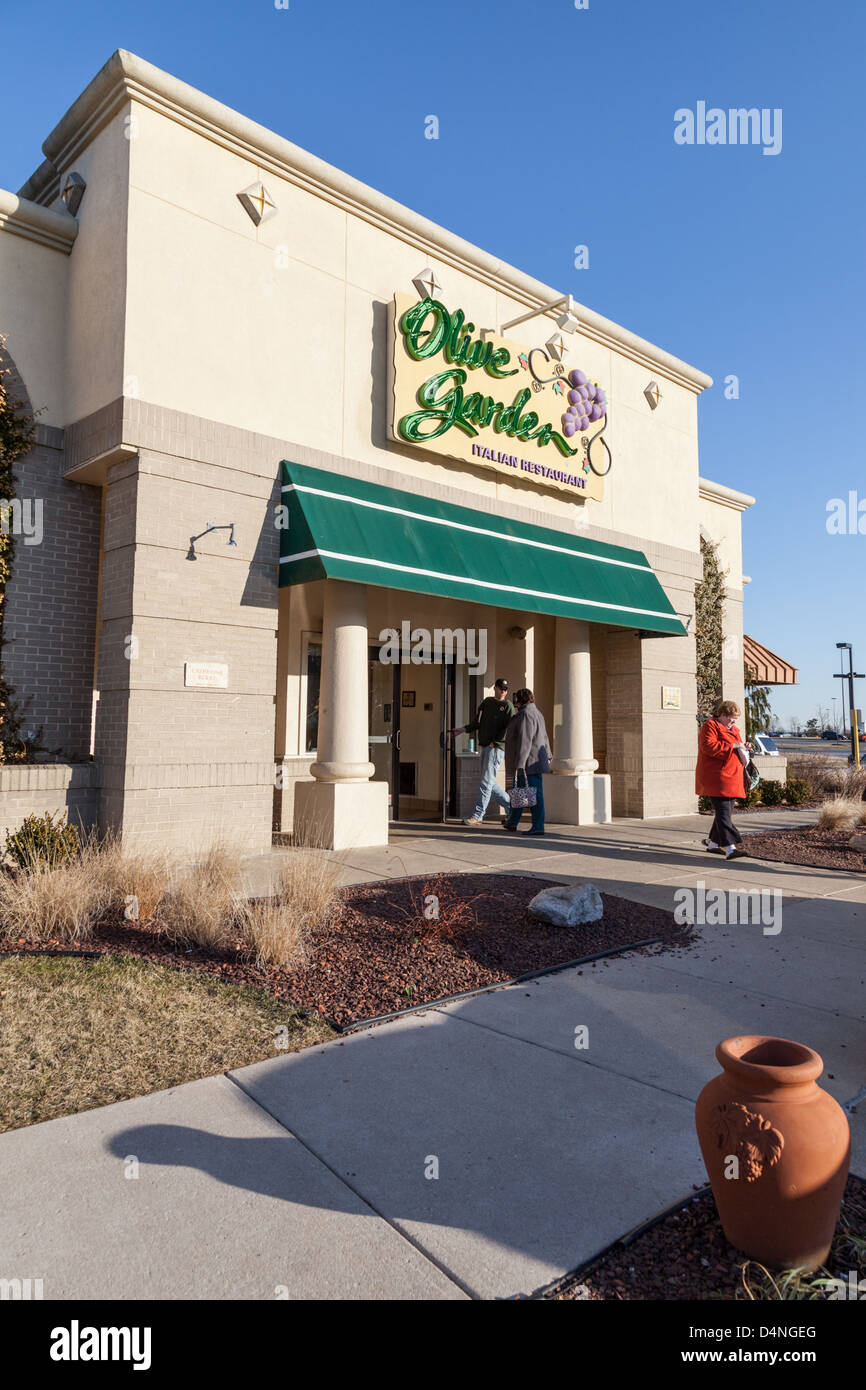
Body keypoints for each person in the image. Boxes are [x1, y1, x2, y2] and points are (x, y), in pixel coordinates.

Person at [449, 678, 515, 827]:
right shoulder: (487, 703)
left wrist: (496, 742)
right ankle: (512, 808)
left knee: (486, 782)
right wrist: (463, 730)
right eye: (501, 688)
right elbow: (477, 722)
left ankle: (478, 816)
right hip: (485, 746)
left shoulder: (508, 706)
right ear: (495, 688)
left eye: (506, 689)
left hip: (496, 748)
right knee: (489, 783)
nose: (504, 691)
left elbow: (510, 728)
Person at [695, 700, 752, 859]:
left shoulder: (734, 729)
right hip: (717, 777)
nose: (733, 721)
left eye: (735, 718)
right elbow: (708, 747)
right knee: (723, 813)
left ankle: (713, 844)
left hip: (732, 776)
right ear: (722, 715)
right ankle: (730, 848)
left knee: (725, 812)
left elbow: (737, 746)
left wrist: (744, 746)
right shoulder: (710, 726)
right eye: (731, 718)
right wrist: (734, 746)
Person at [503, 688, 551, 836]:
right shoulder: (536, 713)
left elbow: (526, 740)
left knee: (533, 795)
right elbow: (544, 736)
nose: (515, 701)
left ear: (521, 700)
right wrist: (548, 755)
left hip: (529, 763)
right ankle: (512, 822)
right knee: (520, 792)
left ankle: (538, 826)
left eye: (517, 698)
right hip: (533, 762)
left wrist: (520, 764)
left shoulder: (526, 714)